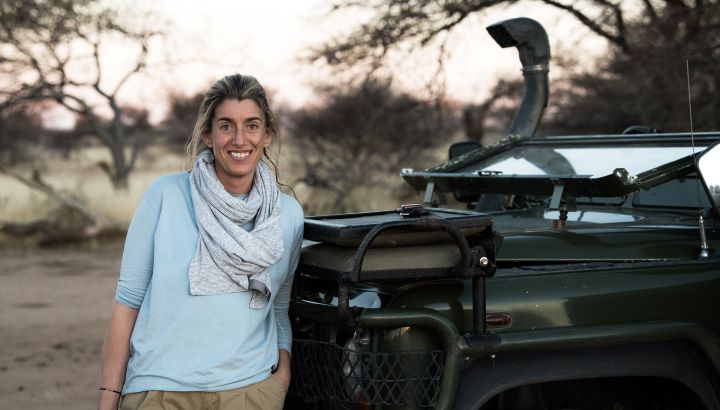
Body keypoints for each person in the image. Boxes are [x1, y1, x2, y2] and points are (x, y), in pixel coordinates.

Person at [97, 74, 304, 410]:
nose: (239, 139)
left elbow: (279, 304)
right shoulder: (165, 196)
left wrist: (281, 375)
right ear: (208, 134)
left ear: (267, 135)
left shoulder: (287, 215)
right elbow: (127, 303)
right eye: (226, 126)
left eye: (251, 125)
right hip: (161, 392)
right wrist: (108, 400)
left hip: (250, 392)